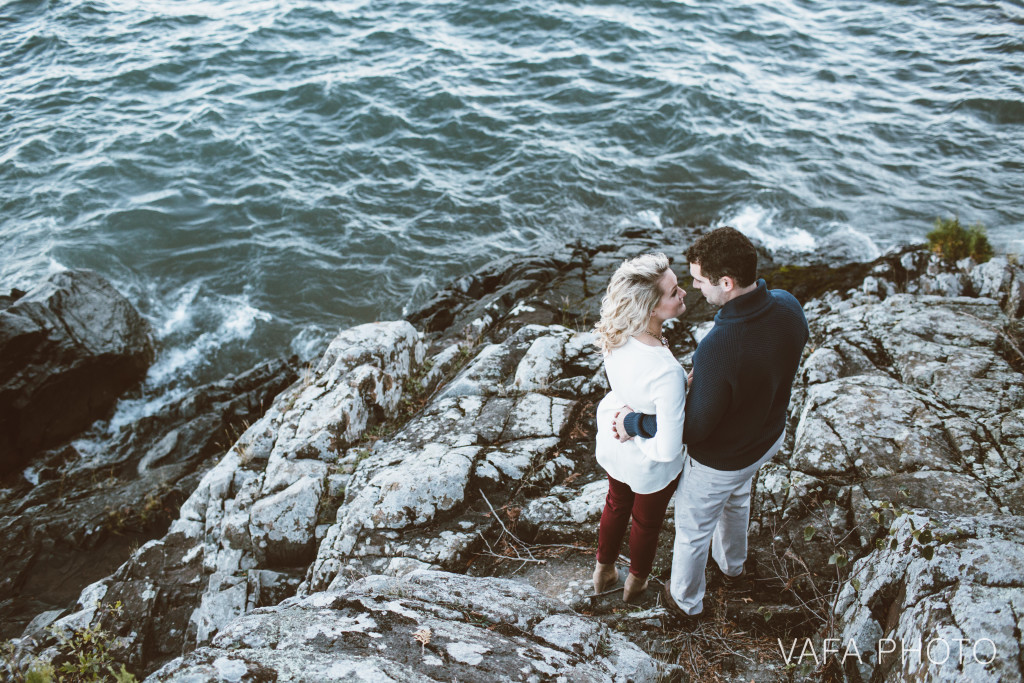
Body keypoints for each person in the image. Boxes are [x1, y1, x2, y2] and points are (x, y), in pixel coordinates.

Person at [615, 227, 809, 618]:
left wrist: (636, 423)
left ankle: (685, 603)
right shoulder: (788, 306)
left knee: (693, 529)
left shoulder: (720, 345)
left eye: (700, 281)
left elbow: (693, 429)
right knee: (737, 500)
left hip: (722, 459)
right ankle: (732, 567)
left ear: (727, 282)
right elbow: (787, 354)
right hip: (767, 438)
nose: (694, 288)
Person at [592, 253, 688, 602]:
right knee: (646, 523)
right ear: (650, 307)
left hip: (615, 444)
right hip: (647, 459)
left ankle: (602, 568)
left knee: (616, 504)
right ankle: (636, 582)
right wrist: (636, 426)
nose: (683, 294)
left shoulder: (616, 330)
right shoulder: (666, 372)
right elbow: (667, 448)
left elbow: (636, 385)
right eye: (674, 292)